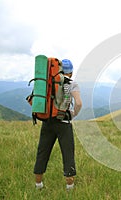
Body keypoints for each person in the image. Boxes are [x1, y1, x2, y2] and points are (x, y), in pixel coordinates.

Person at [33, 59, 82, 190]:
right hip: (64, 123)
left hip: (48, 121)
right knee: (67, 153)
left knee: (42, 152)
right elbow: (78, 103)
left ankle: (38, 185)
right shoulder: (72, 83)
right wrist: (73, 114)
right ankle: (70, 187)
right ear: (71, 72)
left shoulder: (48, 82)